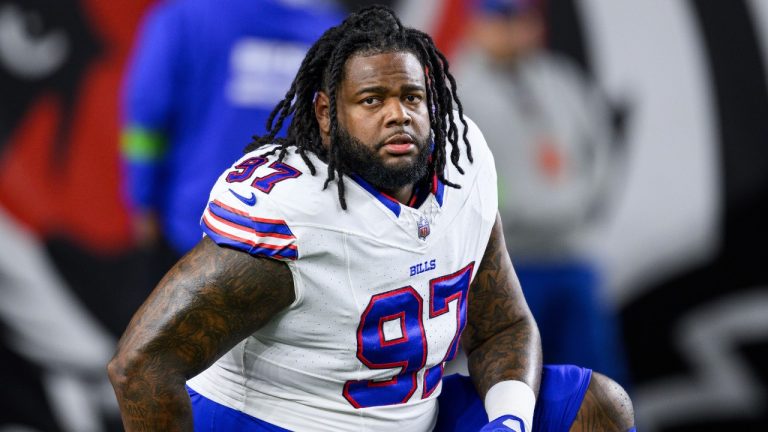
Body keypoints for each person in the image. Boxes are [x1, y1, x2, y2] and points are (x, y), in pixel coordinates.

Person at [108, 6, 636, 431]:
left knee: (598, 408)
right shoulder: (293, 213)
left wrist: (509, 421)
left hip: (410, 414)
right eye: (371, 99)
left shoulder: (463, 162)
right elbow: (139, 365)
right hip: (286, 420)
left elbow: (501, 326)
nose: (397, 114)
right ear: (325, 114)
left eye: (411, 96)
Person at [452, 0, 630, 386]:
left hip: (571, 254)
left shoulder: (562, 83)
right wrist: (506, 213)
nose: (511, 31)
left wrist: (580, 203)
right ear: (476, 24)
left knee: (597, 381)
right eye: (499, 19)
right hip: (504, 263)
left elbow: (601, 152)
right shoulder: (456, 91)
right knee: (510, 381)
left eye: (518, 19)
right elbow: (457, 175)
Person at [121, 0, 343, 257]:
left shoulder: (184, 17)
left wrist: (143, 201)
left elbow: (147, 116)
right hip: (293, 234)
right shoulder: (331, 32)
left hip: (193, 226)